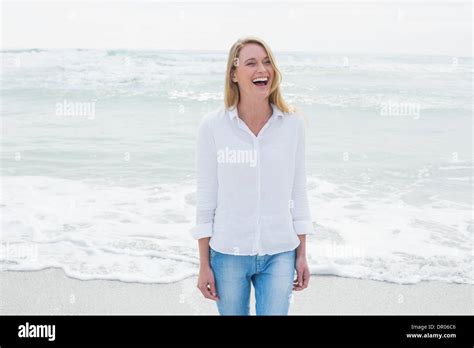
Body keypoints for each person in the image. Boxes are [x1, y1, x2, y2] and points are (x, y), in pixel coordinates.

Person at [190, 36, 314, 315]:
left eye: (268, 62)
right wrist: (203, 264)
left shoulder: (293, 124)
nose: (263, 69)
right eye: (252, 63)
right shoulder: (212, 127)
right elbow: (206, 197)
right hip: (228, 254)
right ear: (234, 74)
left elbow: (298, 191)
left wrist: (302, 253)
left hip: (280, 252)